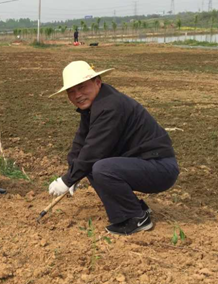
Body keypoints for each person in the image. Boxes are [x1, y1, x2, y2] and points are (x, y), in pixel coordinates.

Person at [47, 61, 179, 235]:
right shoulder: (95, 106)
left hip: (160, 167)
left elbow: (94, 150)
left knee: (101, 167)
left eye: (81, 87)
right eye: (71, 91)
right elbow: (81, 142)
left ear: (97, 82)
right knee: (92, 166)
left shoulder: (109, 106)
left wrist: (67, 179)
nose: (77, 95)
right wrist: (73, 173)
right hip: (144, 163)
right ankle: (136, 209)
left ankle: (135, 218)